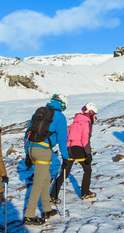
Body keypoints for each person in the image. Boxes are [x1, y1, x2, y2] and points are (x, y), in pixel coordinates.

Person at [23, 93, 69, 225]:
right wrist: (65, 157)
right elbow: (62, 139)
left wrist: (27, 153)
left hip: (31, 148)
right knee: (38, 182)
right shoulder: (60, 116)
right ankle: (29, 215)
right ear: (63, 105)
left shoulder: (39, 112)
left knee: (46, 178)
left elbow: (28, 133)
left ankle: (47, 209)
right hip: (43, 150)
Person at [51, 103, 98, 203]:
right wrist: (88, 154)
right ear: (91, 112)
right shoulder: (86, 122)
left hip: (69, 149)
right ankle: (85, 193)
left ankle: (53, 196)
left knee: (65, 172)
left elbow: (67, 136)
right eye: (95, 114)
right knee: (87, 170)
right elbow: (85, 139)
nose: (95, 117)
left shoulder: (75, 121)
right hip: (79, 149)